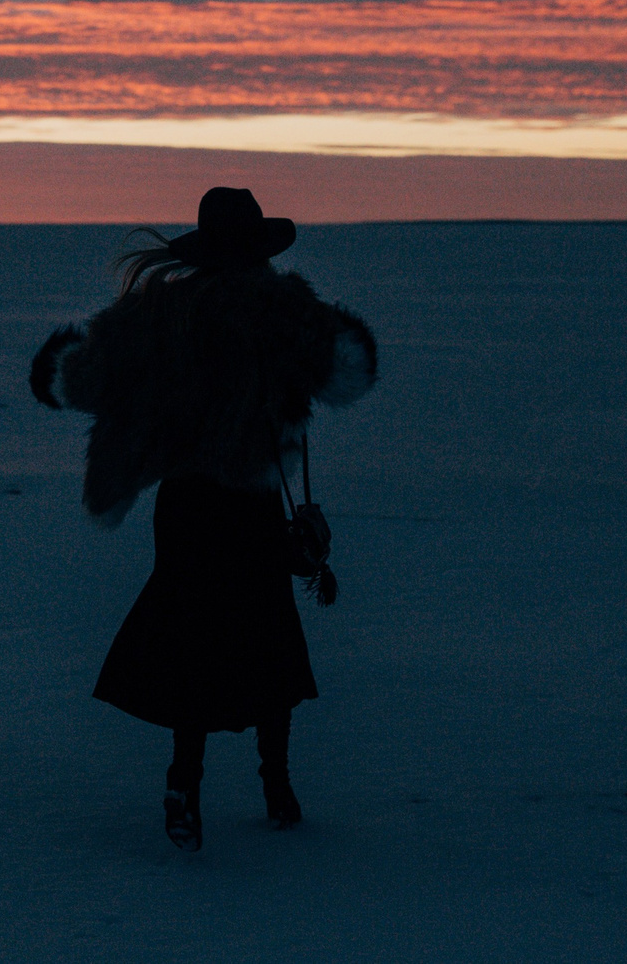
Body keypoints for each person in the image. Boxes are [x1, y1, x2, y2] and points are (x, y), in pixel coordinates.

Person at [29, 187, 377, 850]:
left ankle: (183, 786)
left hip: (185, 505)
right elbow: (347, 372)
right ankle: (277, 787)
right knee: (268, 637)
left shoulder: (161, 315)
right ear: (258, 250)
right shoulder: (282, 312)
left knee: (192, 642)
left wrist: (59, 364)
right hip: (248, 502)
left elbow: (74, 375)